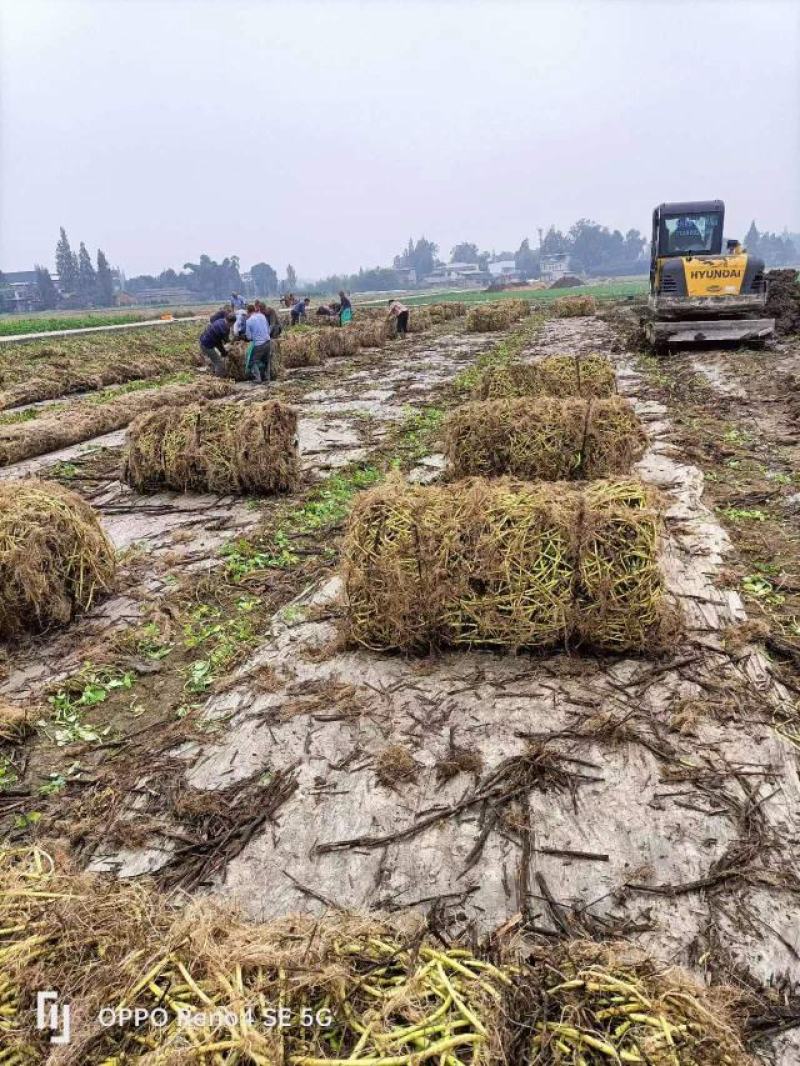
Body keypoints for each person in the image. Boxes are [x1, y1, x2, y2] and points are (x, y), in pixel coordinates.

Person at [245, 304, 271, 383]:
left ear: (248, 312)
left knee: (253, 361)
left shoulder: (248, 321)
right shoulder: (262, 316)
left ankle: (258, 378)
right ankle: (267, 377)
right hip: (268, 341)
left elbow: (249, 337)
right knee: (266, 360)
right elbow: (267, 328)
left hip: (259, 344)